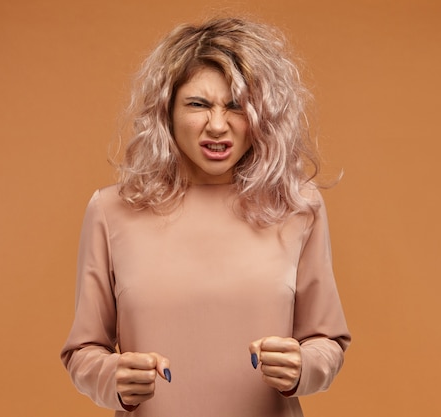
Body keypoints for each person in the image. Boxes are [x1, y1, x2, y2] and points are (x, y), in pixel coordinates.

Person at [60, 16, 351, 417]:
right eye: (198, 104)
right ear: (167, 111)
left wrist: (303, 366)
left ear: (260, 115)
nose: (217, 126)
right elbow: (83, 350)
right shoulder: (111, 211)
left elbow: (327, 339)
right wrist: (113, 377)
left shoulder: (297, 205)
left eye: (236, 106)